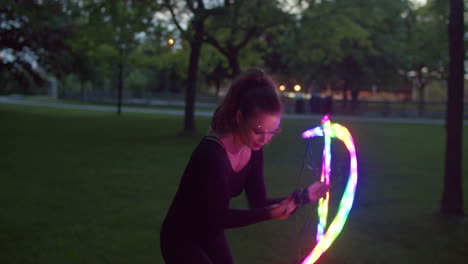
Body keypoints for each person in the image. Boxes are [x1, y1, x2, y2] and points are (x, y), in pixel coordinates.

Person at [160, 68, 328, 264]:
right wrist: (267, 214)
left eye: (272, 132)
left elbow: (258, 202)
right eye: (258, 131)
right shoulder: (211, 155)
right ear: (239, 118)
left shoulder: (254, 152)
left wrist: (304, 196)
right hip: (181, 236)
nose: (265, 139)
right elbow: (219, 217)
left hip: (211, 233)